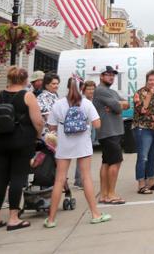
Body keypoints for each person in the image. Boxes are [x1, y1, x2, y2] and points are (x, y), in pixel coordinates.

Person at [44, 78, 111, 228]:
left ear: (67, 87)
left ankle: (51, 219)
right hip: (83, 144)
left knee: (59, 180)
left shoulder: (58, 104)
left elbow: (51, 126)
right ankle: (95, 214)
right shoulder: (86, 103)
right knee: (86, 177)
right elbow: (97, 124)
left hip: (64, 145)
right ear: (81, 88)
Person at [0, 66, 44, 231]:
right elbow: (38, 121)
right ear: (26, 80)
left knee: (1, 179)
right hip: (21, 141)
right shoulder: (28, 96)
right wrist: (37, 136)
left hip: (0, 142)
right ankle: (13, 218)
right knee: (18, 178)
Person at [93, 66, 129, 205]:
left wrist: (119, 105)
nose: (111, 77)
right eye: (108, 75)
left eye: (113, 75)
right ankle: (111, 194)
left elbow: (126, 104)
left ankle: (103, 194)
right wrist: (118, 106)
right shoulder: (101, 90)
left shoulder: (111, 91)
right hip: (109, 131)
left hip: (112, 131)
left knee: (106, 162)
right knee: (115, 161)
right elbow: (118, 107)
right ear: (101, 76)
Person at [132, 70, 154, 194]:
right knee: (143, 157)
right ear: (147, 80)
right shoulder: (140, 93)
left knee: (153, 157)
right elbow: (142, 110)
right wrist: (149, 95)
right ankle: (141, 184)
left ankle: (151, 182)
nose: (152, 82)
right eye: (150, 80)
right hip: (143, 129)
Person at [73, 81, 97, 189]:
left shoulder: (92, 100)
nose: (91, 91)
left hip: (90, 130)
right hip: (83, 131)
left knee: (85, 155)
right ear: (84, 90)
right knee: (83, 155)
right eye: (89, 89)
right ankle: (79, 180)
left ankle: (80, 179)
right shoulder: (82, 101)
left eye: (93, 89)